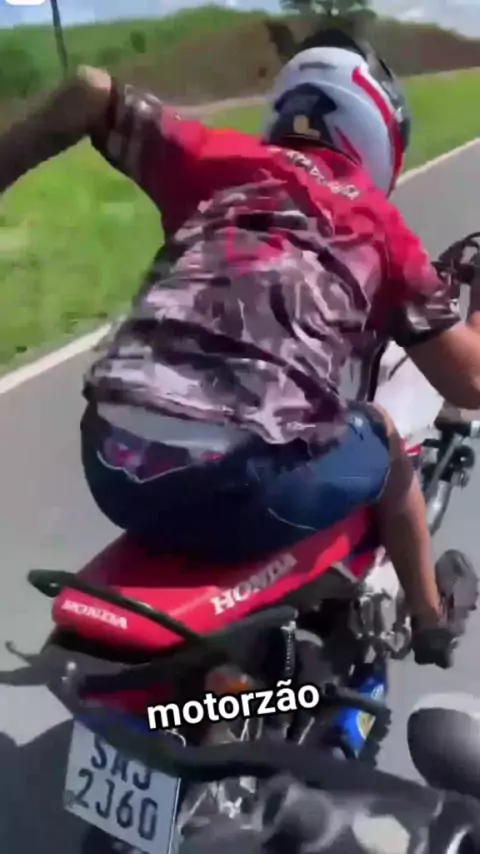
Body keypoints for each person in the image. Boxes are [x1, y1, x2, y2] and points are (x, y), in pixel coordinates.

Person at [0, 30, 477, 667]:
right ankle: (430, 622)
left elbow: (90, 90)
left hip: (111, 468)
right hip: (243, 492)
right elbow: (468, 384)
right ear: (381, 136)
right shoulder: (378, 223)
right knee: (385, 441)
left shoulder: (219, 157)